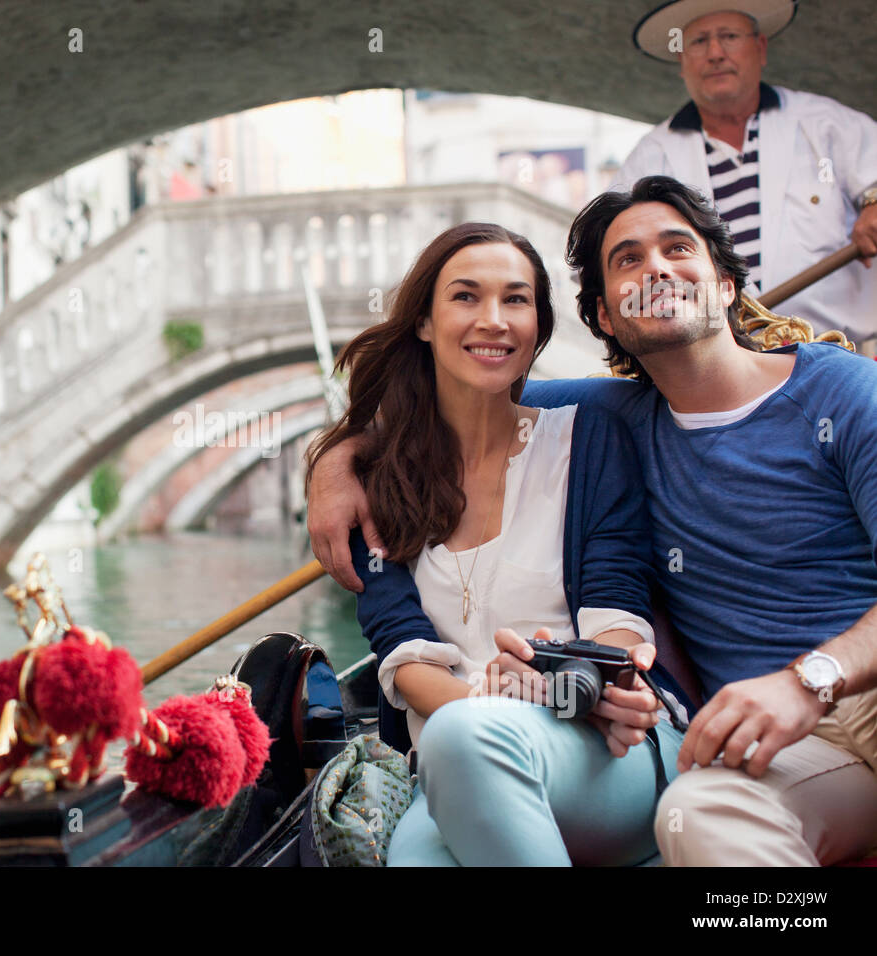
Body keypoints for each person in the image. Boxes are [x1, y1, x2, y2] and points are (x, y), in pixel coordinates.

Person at [309, 175, 877, 866]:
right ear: (604, 317)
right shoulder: (618, 415)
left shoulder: (843, 391)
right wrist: (339, 458)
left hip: (852, 687)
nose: (656, 268)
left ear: (726, 284)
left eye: (677, 247)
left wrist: (807, 680)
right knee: (701, 819)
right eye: (628, 259)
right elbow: (461, 395)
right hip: (770, 741)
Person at [304, 221, 690, 866]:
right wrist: (492, 700)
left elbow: (617, 615)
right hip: (454, 761)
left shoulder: (589, 438)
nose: (494, 320)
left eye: (516, 300)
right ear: (424, 322)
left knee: (461, 737)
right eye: (465, 297)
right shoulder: (376, 479)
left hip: (599, 745)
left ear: (539, 325)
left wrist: (570, 684)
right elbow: (402, 652)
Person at [614, 1, 877, 347]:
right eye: (698, 42)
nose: (715, 53)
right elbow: (601, 252)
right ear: (682, 60)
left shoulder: (825, 123)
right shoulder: (650, 156)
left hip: (837, 353)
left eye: (729, 36)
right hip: (722, 365)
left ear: (760, 48)